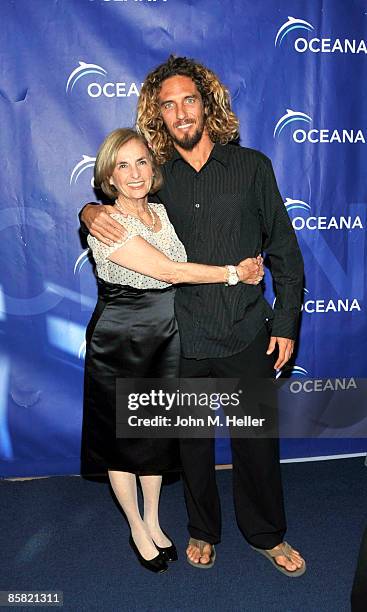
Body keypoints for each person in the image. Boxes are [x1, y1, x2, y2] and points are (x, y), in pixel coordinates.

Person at [81, 56, 306, 576]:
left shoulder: (252, 167)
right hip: (182, 337)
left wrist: (288, 323)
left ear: (207, 104)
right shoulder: (158, 183)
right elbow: (117, 205)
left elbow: (286, 253)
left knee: (255, 443)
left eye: (189, 100)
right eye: (168, 104)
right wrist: (88, 210)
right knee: (192, 449)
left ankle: (267, 535)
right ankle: (202, 529)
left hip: (249, 328)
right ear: (157, 116)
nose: (180, 112)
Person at [81, 127, 264, 574]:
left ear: (153, 167)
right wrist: (233, 275)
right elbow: (167, 269)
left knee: (154, 438)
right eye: (122, 165)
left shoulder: (162, 212)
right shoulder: (106, 223)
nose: (134, 173)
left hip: (167, 335)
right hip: (122, 338)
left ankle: (154, 518)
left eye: (141, 161)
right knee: (124, 440)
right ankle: (137, 529)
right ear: (108, 176)